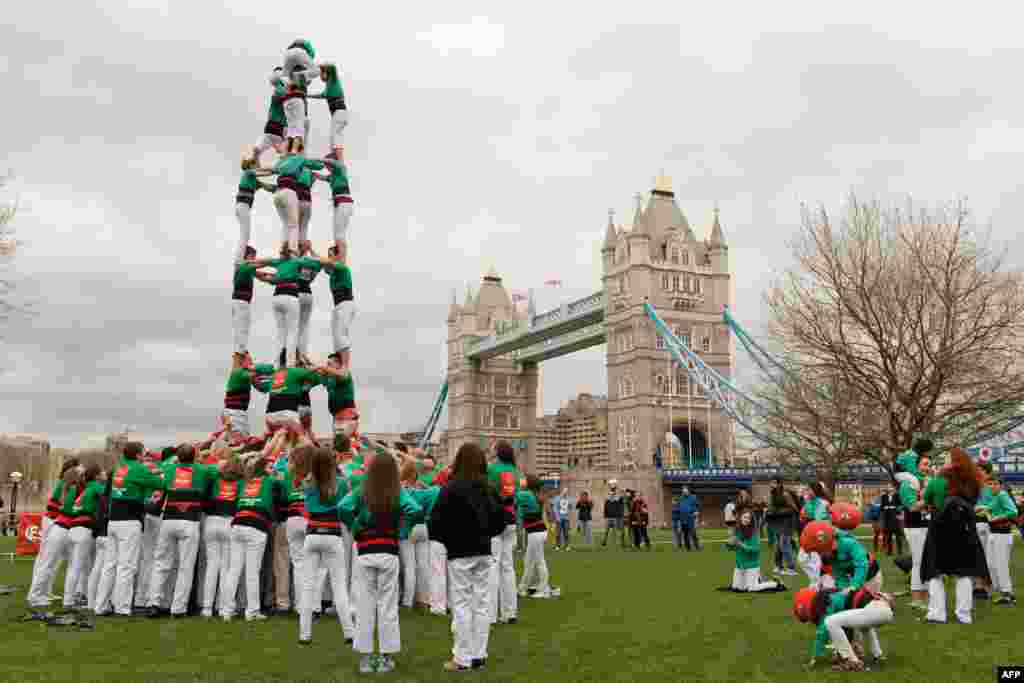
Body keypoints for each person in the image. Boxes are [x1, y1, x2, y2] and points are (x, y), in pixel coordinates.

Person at [339, 451, 423, 673]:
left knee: (365, 605)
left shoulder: (361, 490)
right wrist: (402, 531)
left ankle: (365, 659)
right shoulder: (398, 492)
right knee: (387, 606)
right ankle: (386, 657)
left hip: (365, 552)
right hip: (388, 552)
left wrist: (356, 526)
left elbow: (343, 508)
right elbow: (415, 510)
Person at [429, 443, 505, 672]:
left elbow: (435, 523)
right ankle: (479, 655)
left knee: (461, 605)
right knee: (482, 604)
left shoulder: (451, 488)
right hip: (483, 550)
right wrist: (484, 534)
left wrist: (449, 540)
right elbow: (500, 522)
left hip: (460, 553)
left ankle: (462, 657)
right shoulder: (489, 489)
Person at [146, 445, 216, 618]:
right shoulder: (203, 470)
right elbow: (219, 469)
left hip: (169, 519)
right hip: (190, 521)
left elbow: (159, 474)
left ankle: (154, 603)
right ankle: (178, 608)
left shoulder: (169, 468)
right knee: (186, 566)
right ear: (194, 457)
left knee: (161, 563)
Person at [920, 447, 988, 624]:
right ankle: (964, 615)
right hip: (964, 531)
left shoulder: (937, 481)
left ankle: (937, 613)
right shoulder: (973, 481)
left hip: (938, 529)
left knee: (935, 572)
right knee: (964, 573)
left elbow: (927, 500)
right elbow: (973, 503)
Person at [95, 443, 165, 616]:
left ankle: (101, 605)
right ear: (138, 455)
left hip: (113, 521)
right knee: (127, 566)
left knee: (109, 565)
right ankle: (123, 607)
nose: (145, 455)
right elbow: (161, 483)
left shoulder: (120, 468)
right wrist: (159, 473)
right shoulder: (139, 469)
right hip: (129, 522)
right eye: (143, 452)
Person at [299, 447, 355, 645]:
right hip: (333, 535)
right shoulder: (340, 483)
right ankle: (349, 632)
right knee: (339, 585)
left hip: (312, 533)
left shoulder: (308, 483)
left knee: (307, 586)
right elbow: (349, 504)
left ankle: (304, 634)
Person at [222, 455, 287, 622]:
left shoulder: (243, 483)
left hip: (237, 525)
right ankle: (252, 612)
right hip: (256, 526)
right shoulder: (270, 481)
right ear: (264, 469)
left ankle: (226, 610)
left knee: (234, 570)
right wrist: (276, 474)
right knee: (252, 571)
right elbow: (284, 487)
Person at [794, 585, 894, 673]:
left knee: (830, 621)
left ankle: (852, 661)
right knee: (863, 626)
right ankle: (878, 655)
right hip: (883, 608)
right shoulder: (831, 593)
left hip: (876, 609)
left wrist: (815, 657)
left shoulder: (821, 600)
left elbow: (823, 630)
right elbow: (847, 627)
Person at [200, 451, 241, 618]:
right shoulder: (240, 483)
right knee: (226, 568)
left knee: (211, 567)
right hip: (229, 523)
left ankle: (207, 609)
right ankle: (224, 608)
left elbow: (203, 498)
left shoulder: (213, 480)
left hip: (211, 521)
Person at [486, 440, 520, 625]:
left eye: (492, 448)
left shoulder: (491, 469)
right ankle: (510, 611)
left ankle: (490, 614)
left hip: (495, 518)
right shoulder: (515, 470)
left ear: (497, 452)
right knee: (508, 567)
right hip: (511, 518)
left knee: (492, 565)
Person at [517, 475, 558, 599]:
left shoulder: (527, 495)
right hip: (537, 532)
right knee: (529, 561)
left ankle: (543, 588)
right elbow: (550, 513)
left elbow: (513, 495)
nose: (522, 481)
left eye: (524, 480)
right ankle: (522, 588)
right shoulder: (536, 495)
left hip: (535, 532)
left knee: (539, 561)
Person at [727, 510, 783, 592]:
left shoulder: (754, 533)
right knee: (737, 588)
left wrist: (741, 545)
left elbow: (755, 550)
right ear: (740, 518)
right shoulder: (737, 531)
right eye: (744, 517)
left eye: (748, 518)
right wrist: (729, 544)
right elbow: (733, 548)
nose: (746, 520)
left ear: (751, 521)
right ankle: (757, 580)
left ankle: (775, 583)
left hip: (752, 565)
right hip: (740, 565)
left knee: (752, 588)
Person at [986, 476, 1018, 605]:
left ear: (1000, 485)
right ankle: (1002, 592)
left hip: (1002, 535)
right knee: (991, 564)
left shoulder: (1003, 495)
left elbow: (1013, 512)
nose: (992, 486)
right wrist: (984, 509)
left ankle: (1008, 594)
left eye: (994, 484)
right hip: (994, 533)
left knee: (1001, 565)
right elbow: (991, 509)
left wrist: (997, 518)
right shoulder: (995, 497)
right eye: (990, 484)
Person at [315, 156, 354, 259]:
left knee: (339, 234)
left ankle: (341, 258)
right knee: (337, 234)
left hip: (344, 203)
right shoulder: (332, 176)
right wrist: (311, 172)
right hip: (339, 204)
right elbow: (321, 177)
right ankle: (340, 256)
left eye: (328, 165)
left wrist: (321, 159)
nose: (327, 167)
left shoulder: (340, 170)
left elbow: (335, 163)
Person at [878, 484, 902, 556]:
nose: (889, 488)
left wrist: (896, 509)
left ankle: (900, 551)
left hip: (895, 518)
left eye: (891, 487)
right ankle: (889, 551)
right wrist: (885, 508)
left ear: (894, 488)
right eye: (888, 487)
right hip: (887, 518)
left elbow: (900, 505)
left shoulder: (897, 496)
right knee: (889, 536)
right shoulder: (883, 496)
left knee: (898, 536)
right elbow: (882, 507)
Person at [601, 481, 626, 548]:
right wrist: (605, 516)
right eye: (610, 494)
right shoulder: (608, 499)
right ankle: (604, 542)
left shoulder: (618, 498)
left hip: (617, 516)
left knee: (619, 530)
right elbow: (605, 507)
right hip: (609, 517)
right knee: (606, 530)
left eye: (612, 494)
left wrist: (617, 487)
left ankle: (622, 543)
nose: (611, 495)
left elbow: (623, 494)